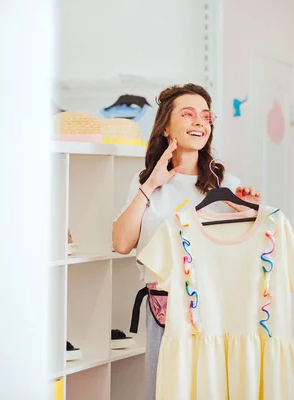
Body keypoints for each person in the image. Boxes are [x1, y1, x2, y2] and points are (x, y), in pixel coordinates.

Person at [111, 83, 260, 399]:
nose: (200, 122)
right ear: (166, 126)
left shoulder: (226, 185)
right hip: (164, 313)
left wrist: (247, 207)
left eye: (205, 117)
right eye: (188, 114)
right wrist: (151, 185)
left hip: (217, 313)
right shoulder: (145, 184)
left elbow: (260, 239)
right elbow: (122, 243)